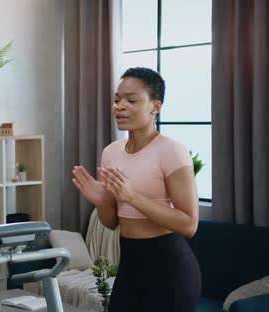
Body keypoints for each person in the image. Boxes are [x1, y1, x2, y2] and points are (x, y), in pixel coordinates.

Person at [72, 67, 201, 312]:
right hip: (130, 266)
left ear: (156, 107)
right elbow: (111, 222)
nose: (119, 106)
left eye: (131, 100)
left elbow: (189, 225)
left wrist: (132, 197)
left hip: (170, 269)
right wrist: (101, 201)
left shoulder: (172, 152)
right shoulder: (111, 152)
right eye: (116, 100)